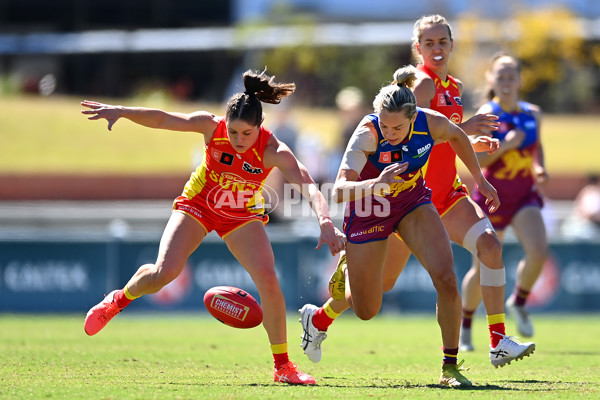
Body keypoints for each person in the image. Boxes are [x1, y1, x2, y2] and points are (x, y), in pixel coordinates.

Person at [300, 14, 534, 375]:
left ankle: (491, 343)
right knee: (377, 293)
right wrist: (462, 132)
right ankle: (319, 319)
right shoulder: (421, 86)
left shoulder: (451, 86)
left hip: (438, 197)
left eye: (443, 42)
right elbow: (409, 136)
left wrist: (467, 142)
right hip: (398, 201)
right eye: (430, 43)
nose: (437, 49)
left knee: (486, 250)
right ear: (418, 48)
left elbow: (437, 138)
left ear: (452, 45)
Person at [80, 69, 346, 386]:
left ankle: (282, 366)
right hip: (199, 203)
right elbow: (165, 119)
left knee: (269, 281)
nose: (238, 140)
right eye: (233, 133)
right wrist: (123, 111)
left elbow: (310, 187)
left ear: (260, 128)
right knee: (164, 272)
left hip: (241, 214)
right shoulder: (211, 126)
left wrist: (326, 222)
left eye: (246, 134)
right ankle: (118, 301)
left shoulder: (274, 150)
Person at [463, 54, 549, 340]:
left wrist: (539, 168)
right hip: (493, 197)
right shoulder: (488, 115)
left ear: (521, 80)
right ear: (491, 80)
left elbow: (537, 146)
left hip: (525, 195)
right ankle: (464, 325)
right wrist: (506, 147)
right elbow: (480, 162)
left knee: (539, 251)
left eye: (512, 76)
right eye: (501, 76)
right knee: (482, 266)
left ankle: (519, 302)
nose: (507, 81)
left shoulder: (533, 113)